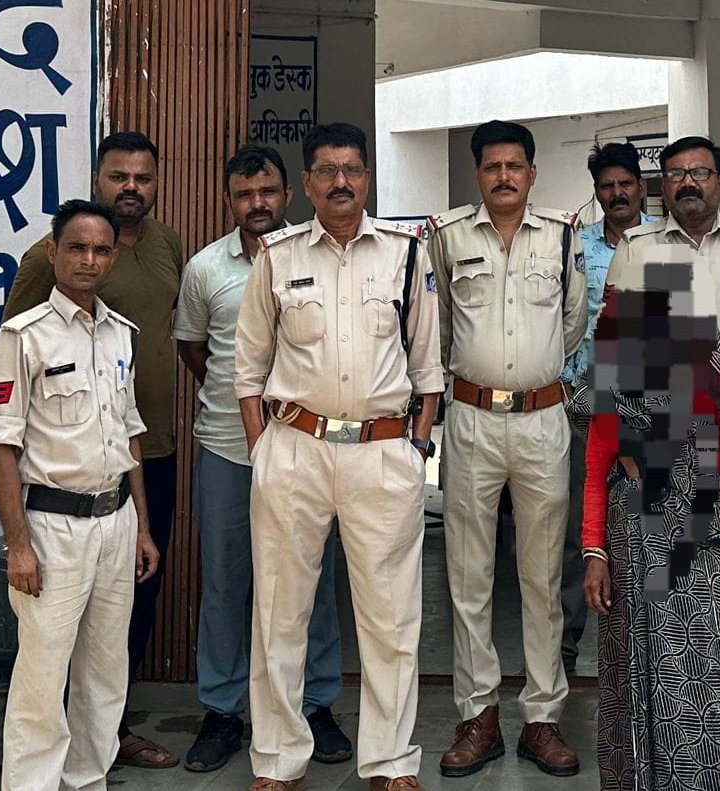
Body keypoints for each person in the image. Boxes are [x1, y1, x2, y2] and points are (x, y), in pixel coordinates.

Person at [234, 122, 442, 791]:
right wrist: (263, 449)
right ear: (307, 183)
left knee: (391, 617)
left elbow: (427, 369)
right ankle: (277, 760)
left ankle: (389, 761)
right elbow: (247, 369)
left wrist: (416, 446)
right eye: (326, 171)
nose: (341, 182)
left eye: (352, 169)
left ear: (367, 177)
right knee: (280, 611)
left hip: (382, 452)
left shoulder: (406, 254)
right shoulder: (277, 256)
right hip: (294, 449)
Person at [2, 131, 184, 769]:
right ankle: (42, 766)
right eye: (118, 176)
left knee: (126, 619)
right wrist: (19, 538)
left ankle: (107, 743)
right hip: (61, 485)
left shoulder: (165, 247)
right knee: (50, 646)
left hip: (140, 460)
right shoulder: (44, 266)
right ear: (98, 180)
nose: (131, 187)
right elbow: (16, 378)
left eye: (143, 177)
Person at [172, 144, 350, 772]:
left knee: (315, 583)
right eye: (245, 194)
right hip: (228, 449)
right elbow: (196, 350)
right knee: (226, 583)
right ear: (229, 201)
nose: (258, 203)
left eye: (267, 191)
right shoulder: (204, 270)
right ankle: (223, 711)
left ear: (289, 193)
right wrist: (240, 404)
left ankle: (315, 703)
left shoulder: (317, 255)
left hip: (309, 450)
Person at [0, 199, 162, 791]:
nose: (89, 260)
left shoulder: (121, 335)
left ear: (113, 258)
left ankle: (88, 780)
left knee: (105, 675)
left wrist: (141, 528)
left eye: (101, 250)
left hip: (116, 522)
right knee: (41, 679)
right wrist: (18, 546)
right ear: (52, 252)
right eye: (77, 248)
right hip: (52, 529)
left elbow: (130, 436)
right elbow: (1, 446)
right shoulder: (22, 337)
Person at [427, 119, 587, 778]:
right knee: (468, 575)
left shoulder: (561, 235)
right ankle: (478, 716)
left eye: (514, 166)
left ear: (531, 172)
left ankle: (542, 719)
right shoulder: (446, 236)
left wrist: (531, 373)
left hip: (543, 420)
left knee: (542, 577)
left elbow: (572, 322)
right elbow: (437, 327)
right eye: (491, 166)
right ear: (477, 174)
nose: (503, 177)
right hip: (471, 418)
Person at [581, 262, 720, 790]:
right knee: (637, 684)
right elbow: (597, 468)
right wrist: (594, 553)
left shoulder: (713, 375)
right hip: (633, 557)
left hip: (702, 558)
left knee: (712, 688)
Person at [560, 141, 656, 677]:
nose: (617, 193)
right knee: (582, 529)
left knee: (651, 531)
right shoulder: (576, 249)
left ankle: (648, 649)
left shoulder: (661, 244)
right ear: (597, 193)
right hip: (586, 411)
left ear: (641, 186)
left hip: (653, 417)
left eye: (625, 184)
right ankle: (567, 647)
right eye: (606, 186)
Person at [605, 135, 720, 344]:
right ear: (663, 186)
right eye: (676, 174)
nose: (688, 182)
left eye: (700, 173)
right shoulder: (633, 247)